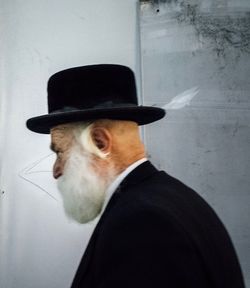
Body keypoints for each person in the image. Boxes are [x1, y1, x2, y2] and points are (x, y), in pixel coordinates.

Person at [26, 64, 245, 288]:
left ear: (100, 143)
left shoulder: (141, 222)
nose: (56, 171)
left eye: (60, 152)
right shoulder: (175, 197)